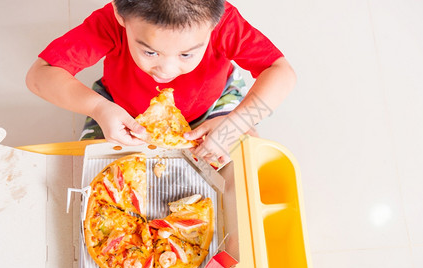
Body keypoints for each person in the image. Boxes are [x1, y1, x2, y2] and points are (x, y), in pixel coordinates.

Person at [26, 0, 296, 164]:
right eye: (150, 52)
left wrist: (236, 124)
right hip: (122, 110)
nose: (167, 70)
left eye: (187, 53)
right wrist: (98, 109)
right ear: (121, 16)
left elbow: (281, 71)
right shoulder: (110, 21)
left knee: (243, 157)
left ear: (214, 24)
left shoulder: (225, 22)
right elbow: (40, 75)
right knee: (95, 163)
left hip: (213, 105)